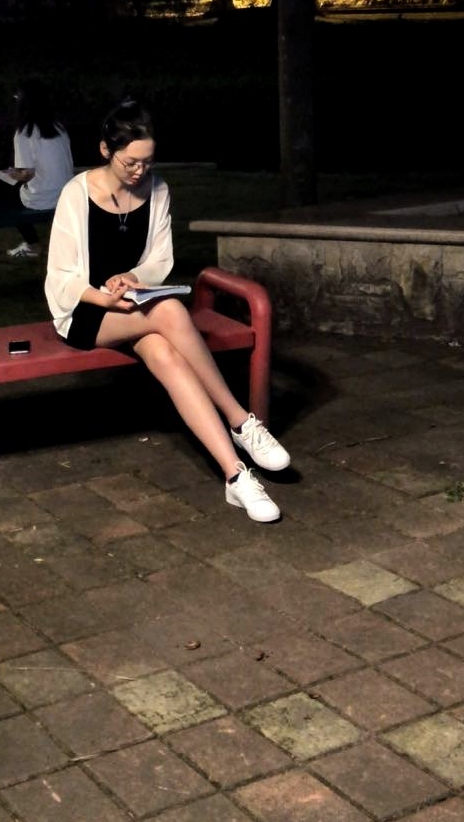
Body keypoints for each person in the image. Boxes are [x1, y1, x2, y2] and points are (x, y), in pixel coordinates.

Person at [45, 97, 291, 522]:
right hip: (86, 311)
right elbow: (60, 277)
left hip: (136, 307)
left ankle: (235, 476)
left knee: (166, 354)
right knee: (173, 312)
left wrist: (132, 277)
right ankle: (241, 420)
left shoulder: (157, 189)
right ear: (105, 150)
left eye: (148, 161)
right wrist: (104, 297)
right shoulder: (76, 193)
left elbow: (160, 260)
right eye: (130, 162)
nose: (140, 171)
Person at [0, 80, 74, 258]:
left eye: (17, 97)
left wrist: (11, 173)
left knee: (2, 193)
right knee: (4, 189)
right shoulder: (59, 128)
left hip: (43, 198)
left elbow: (27, 174)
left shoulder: (25, 132)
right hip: (64, 194)